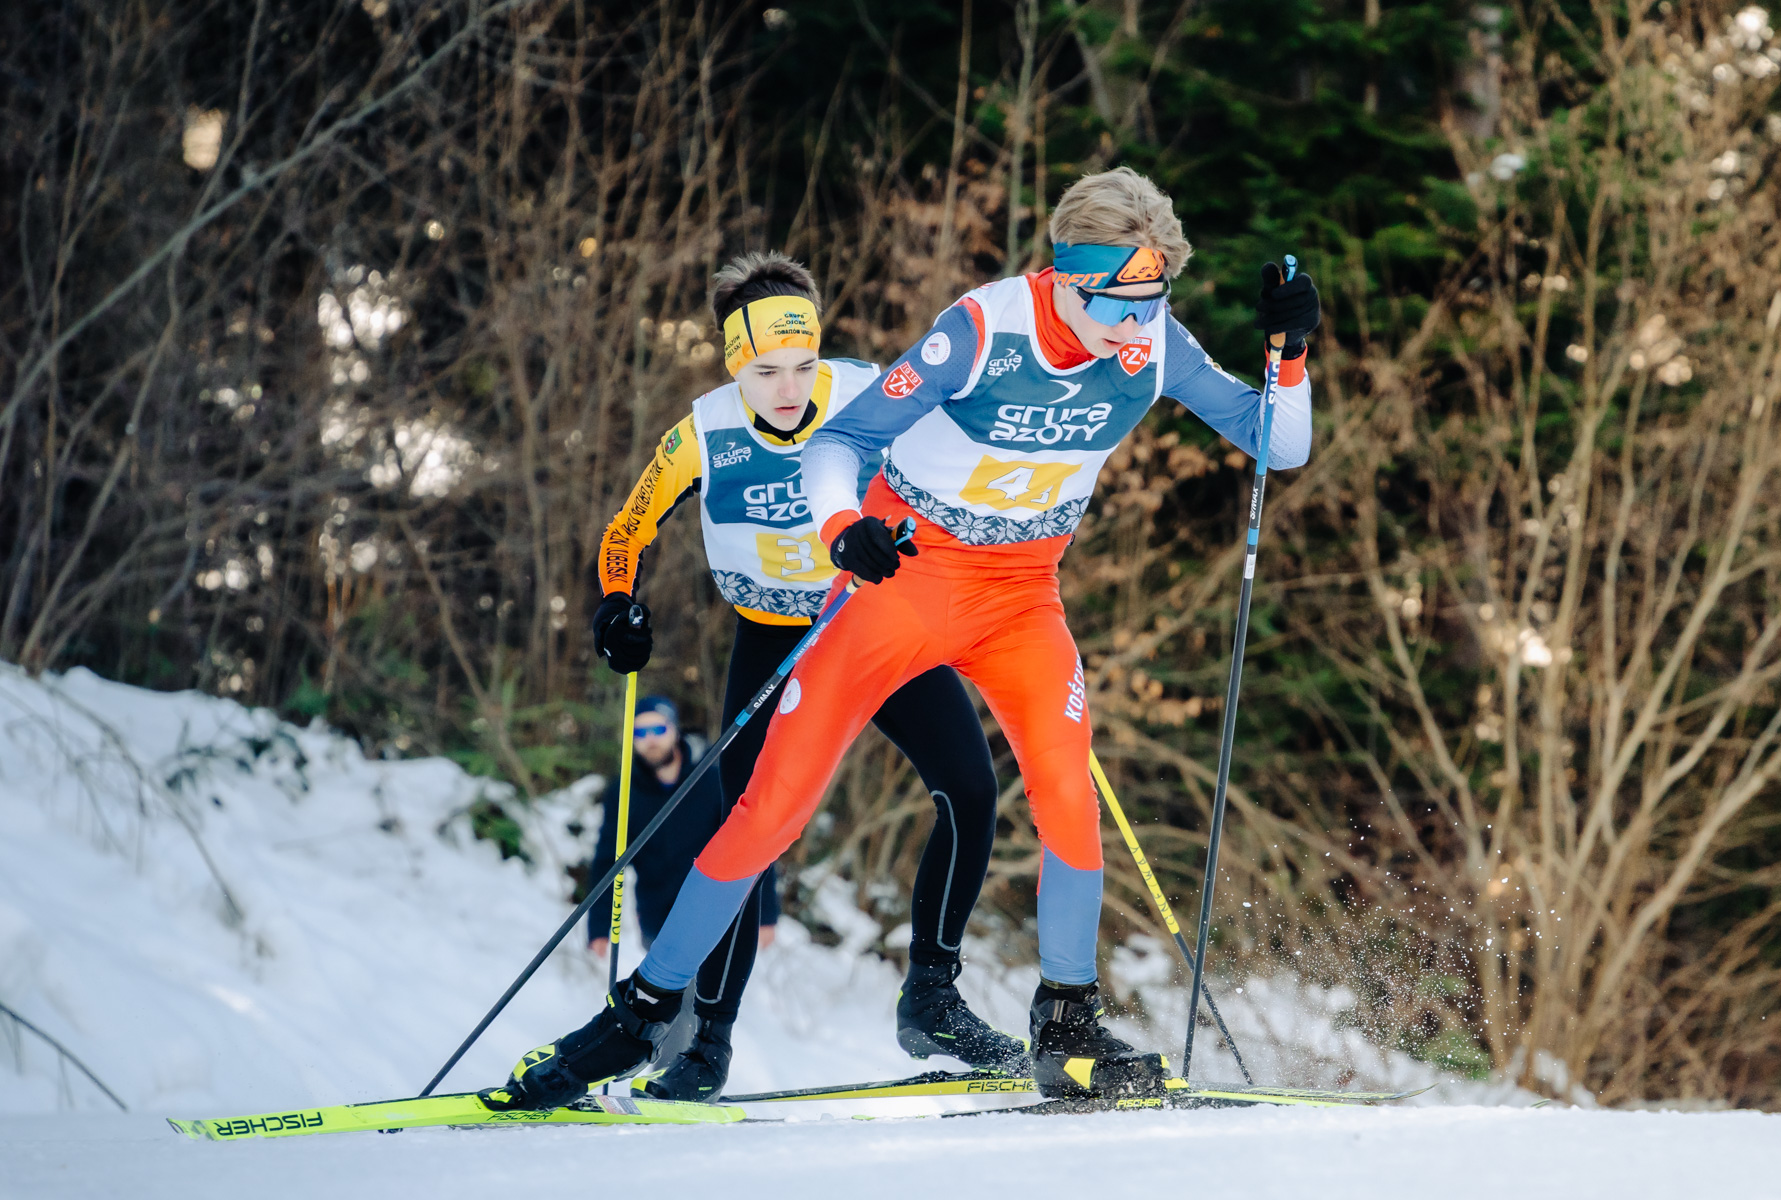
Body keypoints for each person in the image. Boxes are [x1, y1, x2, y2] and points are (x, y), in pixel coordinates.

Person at [491, 168, 1320, 1108]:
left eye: (1154, 300)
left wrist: (1289, 355)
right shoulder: (982, 330)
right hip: (904, 585)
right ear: (1068, 280)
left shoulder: (1154, 341)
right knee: (770, 808)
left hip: (1022, 597)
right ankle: (640, 1015)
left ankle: (1065, 1022)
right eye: (1119, 305)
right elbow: (840, 442)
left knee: (1064, 789)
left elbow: (1276, 442)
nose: (1137, 325)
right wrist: (843, 526)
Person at [488, 252, 1017, 1110]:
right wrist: (617, 605)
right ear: (735, 365)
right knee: (743, 833)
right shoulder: (700, 433)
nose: (789, 389)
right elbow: (627, 531)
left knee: (971, 786)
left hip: (872, 625)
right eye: (766, 371)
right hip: (772, 638)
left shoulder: (867, 393)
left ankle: (933, 998)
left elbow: (969, 454)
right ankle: (707, 1044)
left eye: (803, 365)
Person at [585, 693, 779, 961]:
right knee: (666, 987)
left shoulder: (712, 779)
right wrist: (599, 927)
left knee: (708, 985)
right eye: (640, 732)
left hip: (712, 914)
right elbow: (608, 860)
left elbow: (750, 843)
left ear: (674, 729)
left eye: (658, 729)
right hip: (658, 922)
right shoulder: (624, 791)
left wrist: (765, 912)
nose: (650, 740)